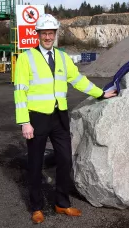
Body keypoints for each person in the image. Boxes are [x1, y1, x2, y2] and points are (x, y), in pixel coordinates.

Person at [14, 13, 117, 224]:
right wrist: (25, 121)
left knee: (65, 159)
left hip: (59, 116)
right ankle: (36, 207)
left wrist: (99, 93)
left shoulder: (62, 57)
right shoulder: (26, 58)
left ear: (55, 34)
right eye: (44, 33)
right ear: (38, 34)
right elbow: (20, 91)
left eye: (51, 33)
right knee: (35, 164)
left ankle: (62, 202)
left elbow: (77, 79)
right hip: (37, 117)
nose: (48, 37)